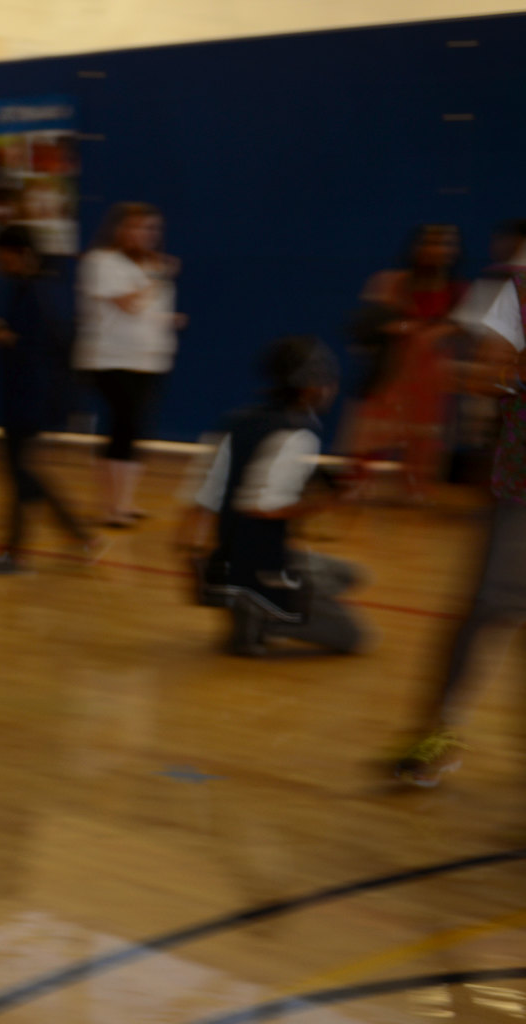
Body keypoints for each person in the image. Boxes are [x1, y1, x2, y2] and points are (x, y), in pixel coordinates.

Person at [395, 269, 526, 784]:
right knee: (484, 614)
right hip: (518, 488)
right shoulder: (518, 295)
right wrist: (505, 373)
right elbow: (477, 378)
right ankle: (441, 735)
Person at [183, 336, 366, 657]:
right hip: (261, 564)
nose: (332, 388)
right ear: (309, 385)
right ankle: (263, 615)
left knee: (348, 575)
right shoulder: (297, 433)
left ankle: (249, 601)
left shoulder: (237, 422)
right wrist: (329, 503)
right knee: (353, 638)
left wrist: (189, 555)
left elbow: (204, 496)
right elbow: (263, 507)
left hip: (226, 559)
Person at [0, 224, 100, 574]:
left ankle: (17, 554)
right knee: (23, 473)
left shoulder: (30, 290)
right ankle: (76, 536)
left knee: (20, 473)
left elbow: (21, 341)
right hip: (23, 394)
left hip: (27, 396)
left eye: (1, 252)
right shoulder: (29, 288)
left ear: (17, 254)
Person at [73, 201, 181, 527]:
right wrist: (158, 276)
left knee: (137, 430)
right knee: (123, 426)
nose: (145, 235)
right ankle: (111, 507)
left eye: (151, 229)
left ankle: (127, 502)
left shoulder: (151, 266)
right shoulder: (101, 262)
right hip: (110, 359)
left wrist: (169, 319)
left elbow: (148, 309)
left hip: (149, 360)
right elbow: (129, 305)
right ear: (120, 230)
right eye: (137, 227)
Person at [344, 224, 464, 501]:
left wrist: (447, 331)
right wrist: (402, 327)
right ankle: (357, 484)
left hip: (430, 379)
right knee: (373, 431)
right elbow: (369, 322)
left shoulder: (458, 291)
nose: (439, 250)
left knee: (424, 437)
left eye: (446, 244)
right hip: (391, 371)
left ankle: (415, 487)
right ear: (417, 247)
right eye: (432, 243)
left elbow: (464, 330)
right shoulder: (391, 282)